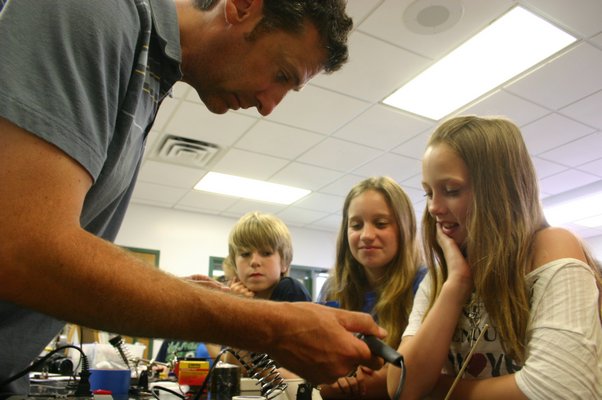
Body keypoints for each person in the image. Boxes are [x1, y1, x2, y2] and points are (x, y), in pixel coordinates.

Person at [0, 1, 387, 397]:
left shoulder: (149, 69)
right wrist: (271, 326)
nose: (270, 106)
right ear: (241, 7)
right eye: (282, 74)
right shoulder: (97, 10)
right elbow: (22, 245)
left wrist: (178, 293)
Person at [387, 116, 602, 399]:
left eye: (451, 190)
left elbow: (558, 389)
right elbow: (402, 387)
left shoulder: (551, 245)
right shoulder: (443, 277)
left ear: (500, 190)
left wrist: (439, 389)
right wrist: (458, 284)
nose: (434, 208)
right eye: (428, 193)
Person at [318, 176, 426, 399]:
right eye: (356, 225)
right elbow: (315, 364)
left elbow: (413, 376)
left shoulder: (424, 284)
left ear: (404, 228)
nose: (366, 235)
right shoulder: (332, 288)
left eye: (381, 224)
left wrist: (339, 378)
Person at [227, 211, 312, 303]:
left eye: (266, 253)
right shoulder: (235, 293)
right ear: (235, 264)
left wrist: (241, 306)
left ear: (284, 262)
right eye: (245, 254)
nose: (254, 262)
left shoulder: (291, 289)